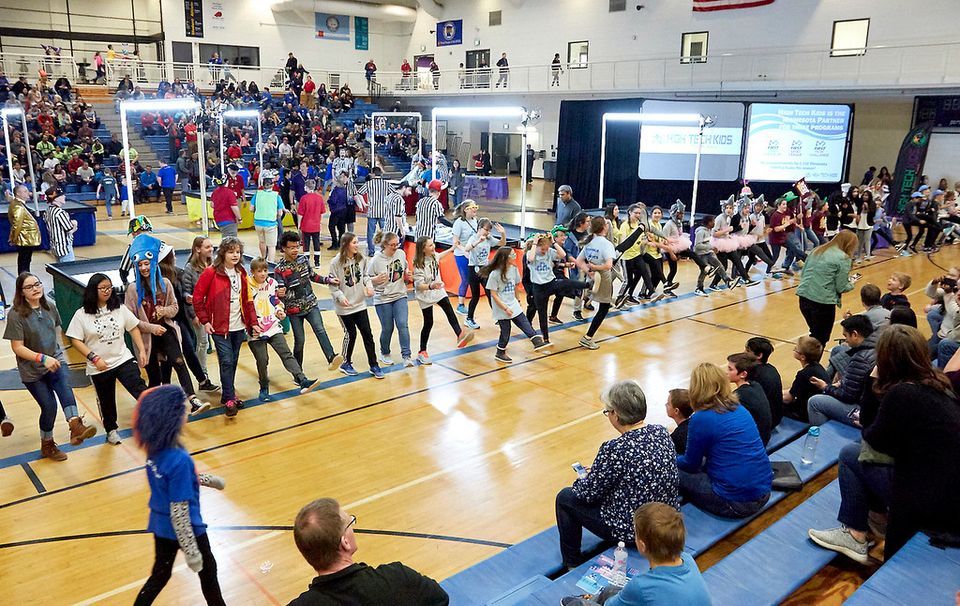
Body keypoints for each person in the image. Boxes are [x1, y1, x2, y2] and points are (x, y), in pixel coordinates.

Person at [808, 325, 960, 564]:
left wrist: (872, 380)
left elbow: (872, 437)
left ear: (886, 358)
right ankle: (872, 520)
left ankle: (856, 533)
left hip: (928, 502)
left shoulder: (902, 394)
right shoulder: (938, 383)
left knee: (851, 453)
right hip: (950, 496)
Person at [555, 380, 679, 569]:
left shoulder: (614, 449)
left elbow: (587, 494)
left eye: (608, 411)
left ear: (616, 414)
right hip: (665, 518)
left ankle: (571, 563)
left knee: (565, 498)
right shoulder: (661, 432)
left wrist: (587, 478)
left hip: (634, 529)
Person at [132, 385, 227, 606]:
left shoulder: (156, 449)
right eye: (182, 409)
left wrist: (208, 480)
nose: (186, 412)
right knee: (208, 573)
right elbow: (180, 512)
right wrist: (192, 552)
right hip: (187, 528)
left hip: (160, 525)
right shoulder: (179, 459)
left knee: (160, 575)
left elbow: (172, 483)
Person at [4, 273, 97, 460]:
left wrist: (55, 356)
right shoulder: (15, 315)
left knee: (65, 389)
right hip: (32, 370)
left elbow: (55, 334)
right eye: (30, 287)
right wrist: (41, 358)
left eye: (37, 284)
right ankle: (47, 445)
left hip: (55, 360)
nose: (36, 288)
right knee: (49, 407)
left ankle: (75, 426)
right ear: (21, 292)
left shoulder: (50, 307)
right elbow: (17, 347)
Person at [289, 497, 448, 605]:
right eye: (350, 523)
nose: (353, 527)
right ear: (345, 542)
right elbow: (440, 599)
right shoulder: (398, 578)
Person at [561, 503, 710, 606]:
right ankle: (593, 598)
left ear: (642, 545)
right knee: (611, 590)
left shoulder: (640, 585)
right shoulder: (688, 560)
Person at [676, 363, 773, 518]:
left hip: (736, 503)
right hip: (765, 491)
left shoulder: (702, 418)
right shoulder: (739, 408)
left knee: (669, 468)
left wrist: (670, 458)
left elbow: (690, 464)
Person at [125, 238, 207, 415]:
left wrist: (164, 311)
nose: (144, 268)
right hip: (148, 337)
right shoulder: (132, 289)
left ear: (153, 263)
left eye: (146, 264)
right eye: (140, 265)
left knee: (179, 361)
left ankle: (192, 399)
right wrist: (151, 328)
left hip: (166, 330)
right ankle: (153, 406)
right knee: (155, 376)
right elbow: (130, 321)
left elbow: (175, 307)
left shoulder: (165, 283)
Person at [193, 237, 257, 417]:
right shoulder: (211, 273)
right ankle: (229, 398)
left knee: (232, 360)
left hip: (238, 326)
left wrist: (253, 323)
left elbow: (248, 300)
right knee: (227, 360)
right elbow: (197, 299)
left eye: (237, 252)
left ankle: (228, 394)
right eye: (231, 251)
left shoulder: (242, 272)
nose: (235, 255)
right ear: (223, 253)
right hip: (218, 327)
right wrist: (205, 320)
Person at [246, 258, 320, 401]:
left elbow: (276, 301)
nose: (263, 274)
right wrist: (249, 325)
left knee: (286, 354)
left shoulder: (272, 283)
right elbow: (245, 308)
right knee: (262, 360)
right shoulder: (247, 286)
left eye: (265, 271)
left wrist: (280, 310)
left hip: (273, 327)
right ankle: (264, 387)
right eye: (259, 271)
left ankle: (302, 380)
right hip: (256, 330)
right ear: (253, 272)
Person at [275, 231, 343, 372]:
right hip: (294, 310)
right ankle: (297, 371)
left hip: (311, 304)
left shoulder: (303, 260)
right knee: (300, 340)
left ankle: (331, 357)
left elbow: (313, 276)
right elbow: (279, 290)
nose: (295, 250)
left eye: (297, 246)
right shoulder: (279, 269)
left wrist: (328, 280)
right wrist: (279, 293)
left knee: (320, 329)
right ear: (284, 248)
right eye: (291, 247)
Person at [412, 236, 475, 365]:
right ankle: (422, 351)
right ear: (423, 249)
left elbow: (440, 255)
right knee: (428, 322)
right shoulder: (418, 264)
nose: (433, 246)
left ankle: (459, 335)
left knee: (449, 309)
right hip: (425, 293)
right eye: (430, 246)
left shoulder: (434, 256)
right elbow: (419, 285)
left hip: (437, 289)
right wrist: (431, 286)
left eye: (433, 244)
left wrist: (452, 248)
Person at [328, 233, 383, 379]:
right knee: (351, 334)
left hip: (359, 304)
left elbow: (365, 276)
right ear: (346, 244)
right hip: (344, 308)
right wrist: (340, 297)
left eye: (357, 242)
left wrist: (369, 285)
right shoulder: (335, 263)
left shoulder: (361, 259)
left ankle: (374, 364)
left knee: (367, 334)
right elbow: (333, 286)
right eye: (354, 242)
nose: (357, 245)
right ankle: (345, 362)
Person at [481, 247, 549, 362]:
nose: (515, 257)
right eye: (512, 255)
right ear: (505, 258)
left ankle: (536, 341)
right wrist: (505, 308)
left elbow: (516, 285)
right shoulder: (495, 273)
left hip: (512, 302)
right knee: (506, 330)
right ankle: (500, 351)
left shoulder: (513, 268)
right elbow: (493, 294)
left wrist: (517, 300)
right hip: (501, 305)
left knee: (523, 321)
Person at [807, 314, 876, 427]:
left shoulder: (860, 358)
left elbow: (847, 396)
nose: (846, 340)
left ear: (855, 334)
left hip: (863, 410)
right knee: (839, 350)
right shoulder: (876, 346)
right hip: (871, 403)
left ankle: (823, 439)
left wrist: (825, 387)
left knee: (814, 402)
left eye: (846, 336)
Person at [525, 232, 590, 344]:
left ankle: (588, 285)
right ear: (537, 246)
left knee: (566, 283)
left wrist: (553, 242)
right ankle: (545, 339)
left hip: (550, 283)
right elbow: (530, 259)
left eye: (546, 248)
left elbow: (563, 254)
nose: (545, 251)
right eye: (543, 249)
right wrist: (535, 243)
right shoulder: (531, 253)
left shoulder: (549, 251)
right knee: (542, 313)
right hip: (538, 288)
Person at [796, 230, 859, 346]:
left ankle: (808, 360)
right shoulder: (843, 258)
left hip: (804, 298)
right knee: (820, 339)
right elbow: (841, 287)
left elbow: (804, 273)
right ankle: (812, 362)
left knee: (815, 334)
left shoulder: (817, 250)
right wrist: (851, 283)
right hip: (822, 302)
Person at [366, 231, 414, 367]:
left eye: (397, 244)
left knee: (403, 324)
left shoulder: (400, 254)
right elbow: (366, 279)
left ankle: (407, 355)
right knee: (388, 328)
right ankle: (385, 352)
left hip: (400, 295)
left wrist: (407, 274)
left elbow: (405, 268)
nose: (395, 247)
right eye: (392, 245)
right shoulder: (376, 260)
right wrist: (374, 280)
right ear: (385, 245)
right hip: (383, 298)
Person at [578, 217, 617, 350]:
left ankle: (588, 293)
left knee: (604, 305)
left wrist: (589, 272)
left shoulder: (590, 242)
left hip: (594, 277)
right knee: (604, 308)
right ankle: (587, 337)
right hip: (604, 277)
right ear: (604, 227)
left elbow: (579, 261)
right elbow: (608, 265)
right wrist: (595, 269)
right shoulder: (606, 244)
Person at [181, 237, 215, 388]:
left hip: (214, 310)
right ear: (197, 249)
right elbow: (186, 293)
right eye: (207, 247)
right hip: (198, 312)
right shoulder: (190, 268)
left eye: (211, 247)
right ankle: (203, 375)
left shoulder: (214, 264)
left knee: (208, 342)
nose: (211, 249)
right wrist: (193, 315)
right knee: (203, 342)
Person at [463, 218, 507, 329]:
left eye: (489, 230)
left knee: (490, 293)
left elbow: (502, 244)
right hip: (473, 269)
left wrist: (503, 233)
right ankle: (469, 318)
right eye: (486, 229)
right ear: (479, 228)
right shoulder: (473, 238)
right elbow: (467, 249)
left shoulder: (489, 238)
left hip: (485, 269)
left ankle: (498, 316)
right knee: (475, 296)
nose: (487, 232)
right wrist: (478, 241)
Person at [726, 353, 772, 445]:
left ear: (743, 374)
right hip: (764, 437)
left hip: (754, 443)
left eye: (730, 369)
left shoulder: (740, 396)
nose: (726, 372)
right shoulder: (755, 385)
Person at [783, 336, 831, 422]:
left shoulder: (803, 374)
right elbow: (794, 390)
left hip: (805, 413)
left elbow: (788, 399)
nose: (794, 349)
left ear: (802, 357)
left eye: (796, 349)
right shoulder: (818, 368)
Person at [744, 337, 784, 428]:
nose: (744, 353)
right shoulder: (771, 368)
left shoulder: (753, 374)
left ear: (759, 356)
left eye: (747, 350)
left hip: (765, 422)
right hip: (776, 417)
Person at [450, 200, 480, 314]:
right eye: (473, 208)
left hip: (472, 253)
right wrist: (465, 251)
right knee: (465, 279)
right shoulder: (459, 223)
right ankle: (460, 304)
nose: (475, 210)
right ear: (466, 210)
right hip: (461, 254)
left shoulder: (474, 221)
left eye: (476, 208)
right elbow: (455, 243)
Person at [6, 185, 41, 275]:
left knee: (25, 260)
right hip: (24, 239)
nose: (28, 192)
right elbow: (17, 225)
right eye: (25, 191)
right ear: (18, 193)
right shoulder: (18, 206)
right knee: (24, 261)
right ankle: (24, 278)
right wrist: (14, 238)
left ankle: (25, 276)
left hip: (26, 239)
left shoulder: (19, 204)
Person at [358, 167, 393, 257]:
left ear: (373, 174)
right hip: (383, 211)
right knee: (385, 232)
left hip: (372, 211)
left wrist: (364, 203)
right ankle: (386, 250)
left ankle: (371, 251)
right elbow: (394, 193)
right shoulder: (386, 184)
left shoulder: (369, 184)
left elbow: (359, 193)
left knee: (371, 233)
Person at [250, 171, 284, 262]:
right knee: (272, 245)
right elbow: (280, 213)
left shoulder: (257, 194)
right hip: (270, 223)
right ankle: (270, 263)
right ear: (272, 185)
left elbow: (251, 208)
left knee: (262, 242)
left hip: (258, 222)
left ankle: (263, 257)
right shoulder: (276, 196)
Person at [297, 179, 326, 267]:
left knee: (306, 245)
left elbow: (300, 214)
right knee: (316, 243)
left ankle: (306, 263)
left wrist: (299, 224)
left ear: (306, 187)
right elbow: (323, 212)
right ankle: (317, 263)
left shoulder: (304, 198)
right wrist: (319, 221)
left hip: (306, 225)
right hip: (316, 225)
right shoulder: (319, 198)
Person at [44, 187, 77, 262]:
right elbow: (69, 230)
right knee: (68, 269)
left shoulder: (48, 211)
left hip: (55, 246)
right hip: (64, 247)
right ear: (56, 199)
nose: (64, 197)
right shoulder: (60, 213)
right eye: (61, 196)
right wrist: (75, 224)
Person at [666, 388, 692, 455]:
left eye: (668, 404)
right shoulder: (693, 424)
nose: (665, 405)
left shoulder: (676, 437)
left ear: (676, 411)